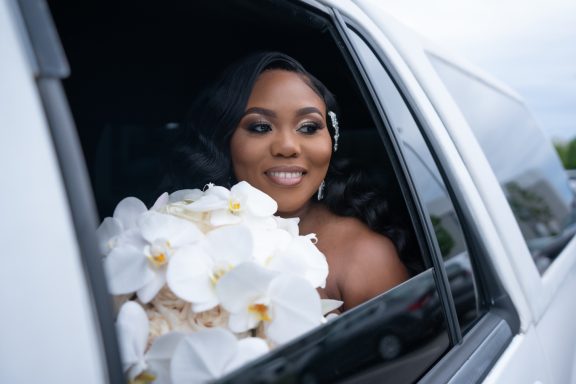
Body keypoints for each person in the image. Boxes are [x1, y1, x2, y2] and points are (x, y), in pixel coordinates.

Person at [166, 51, 410, 311]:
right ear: (225, 142)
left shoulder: (366, 257)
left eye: (308, 127)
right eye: (261, 127)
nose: (287, 147)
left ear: (332, 140)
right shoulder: (180, 236)